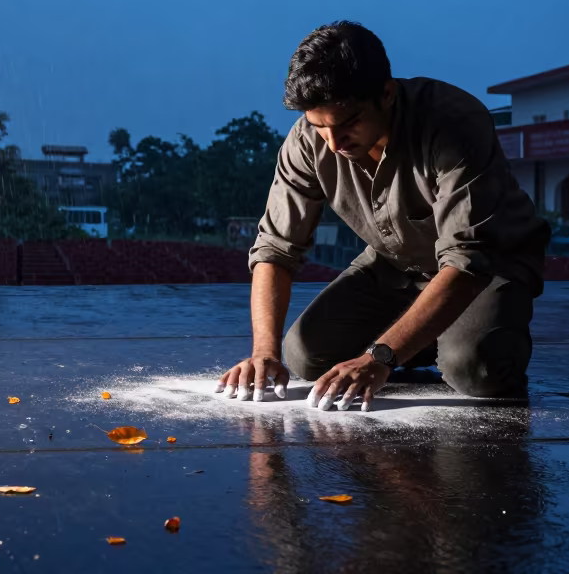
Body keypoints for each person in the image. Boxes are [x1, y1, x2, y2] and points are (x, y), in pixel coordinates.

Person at [217, 21, 550, 411]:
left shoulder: (453, 122)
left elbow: (467, 258)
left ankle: (451, 340)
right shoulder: (308, 140)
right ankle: (423, 338)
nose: (334, 143)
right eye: (318, 126)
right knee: (304, 355)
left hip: (488, 267)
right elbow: (275, 248)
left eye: (348, 123)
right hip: (393, 265)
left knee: (475, 371)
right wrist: (263, 352)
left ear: (386, 94)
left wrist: (381, 357)